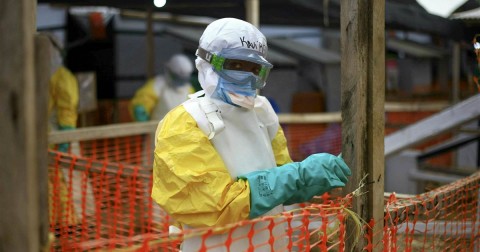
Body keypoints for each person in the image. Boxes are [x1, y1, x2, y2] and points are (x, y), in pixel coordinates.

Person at [151, 18, 351, 251]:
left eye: (255, 69)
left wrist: (310, 179)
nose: (247, 78)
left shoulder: (262, 110)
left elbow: (281, 177)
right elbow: (216, 206)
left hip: (272, 243)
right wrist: (296, 176)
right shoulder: (184, 123)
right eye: (236, 67)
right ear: (207, 63)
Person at [130, 53, 194, 122]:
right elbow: (143, 100)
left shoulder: (189, 89)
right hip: (157, 130)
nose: (179, 82)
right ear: (169, 71)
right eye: (176, 77)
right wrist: (141, 109)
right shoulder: (157, 84)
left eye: (182, 79)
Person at [47, 34, 79, 153]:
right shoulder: (60, 77)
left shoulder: (62, 78)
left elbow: (67, 109)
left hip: (55, 136)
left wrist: (66, 135)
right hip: (47, 137)